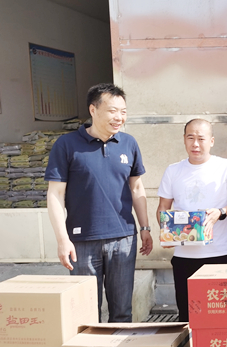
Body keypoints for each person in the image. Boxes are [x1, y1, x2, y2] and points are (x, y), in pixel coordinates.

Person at [45, 83, 153, 322]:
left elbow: (136, 187)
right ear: (93, 110)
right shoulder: (67, 144)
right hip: (82, 241)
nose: (119, 117)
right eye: (113, 111)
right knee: (85, 312)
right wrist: (62, 239)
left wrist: (145, 227)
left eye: (123, 112)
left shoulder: (129, 143)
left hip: (123, 239)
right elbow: (55, 194)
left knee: (122, 311)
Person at [157, 119, 227, 323]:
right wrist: (165, 231)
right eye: (190, 138)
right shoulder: (173, 170)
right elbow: (163, 207)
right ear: (184, 139)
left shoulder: (224, 167)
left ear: (212, 141)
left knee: (222, 316)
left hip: (218, 254)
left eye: (201, 138)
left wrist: (220, 212)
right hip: (183, 256)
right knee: (187, 316)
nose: (195, 144)